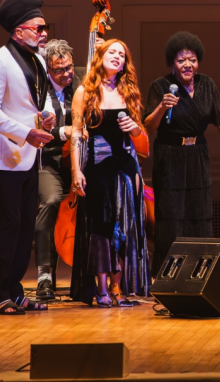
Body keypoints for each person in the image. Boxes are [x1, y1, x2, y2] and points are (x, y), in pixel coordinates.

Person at [144, 31, 220, 275]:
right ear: (172, 63)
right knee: (171, 217)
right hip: (170, 156)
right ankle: (167, 276)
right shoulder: (160, 86)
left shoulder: (207, 84)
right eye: (181, 60)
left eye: (191, 59)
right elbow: (148, 127)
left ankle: (199, 274)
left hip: (198, 156)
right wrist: (162, 106)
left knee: (199, 214)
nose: (187, 65)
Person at [0, 0, 56, 314]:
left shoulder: (37, 60)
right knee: (7, 227)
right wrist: (26, 132)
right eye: (39, 28)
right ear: (18, 30)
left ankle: (15, 289)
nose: (44, 33)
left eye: (44, 27)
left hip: (29, 157)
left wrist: (49, 112)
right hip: (5, 157)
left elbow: (42, 97)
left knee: (25, 227)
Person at [70, 39, 151, 307]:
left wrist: (134, 128)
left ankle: (119, 287)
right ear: (100, 56)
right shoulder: (85, 92)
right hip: (98, 168)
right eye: (112, 52)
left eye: (122, 55)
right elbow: (77, 137)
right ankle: (101, 288)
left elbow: (140, 136)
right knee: (102, 228)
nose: (118, 57)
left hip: (127, 170)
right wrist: (75, 171)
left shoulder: (129, 91)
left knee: (126, 227)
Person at [33, 39, 86, 300]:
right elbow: (34, 130)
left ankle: (93, 274)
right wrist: (61, 132)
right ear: (47, 71)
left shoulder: (81, 85)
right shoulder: (38, 92)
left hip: (78, 163)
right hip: (49, 161)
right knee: (51, 200)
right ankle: (44, 275)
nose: (67, 73)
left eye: (69, 67)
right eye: (59, 70)